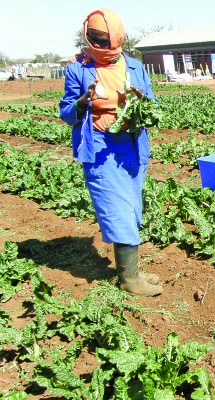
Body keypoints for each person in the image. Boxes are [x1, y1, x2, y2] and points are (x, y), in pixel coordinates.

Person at [59, 8, 162, 296]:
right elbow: (66, 113)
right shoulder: (77, 69)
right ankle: (129, 280)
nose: (100, 45)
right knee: (116, 209)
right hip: (100, 148)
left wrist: (142, 101)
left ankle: (131, 270)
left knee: (131, 208)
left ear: (118, 37)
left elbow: (153, 104)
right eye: (94, 38)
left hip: (132, 146)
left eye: (105, 39)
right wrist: (83, 101)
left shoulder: (135, 67)